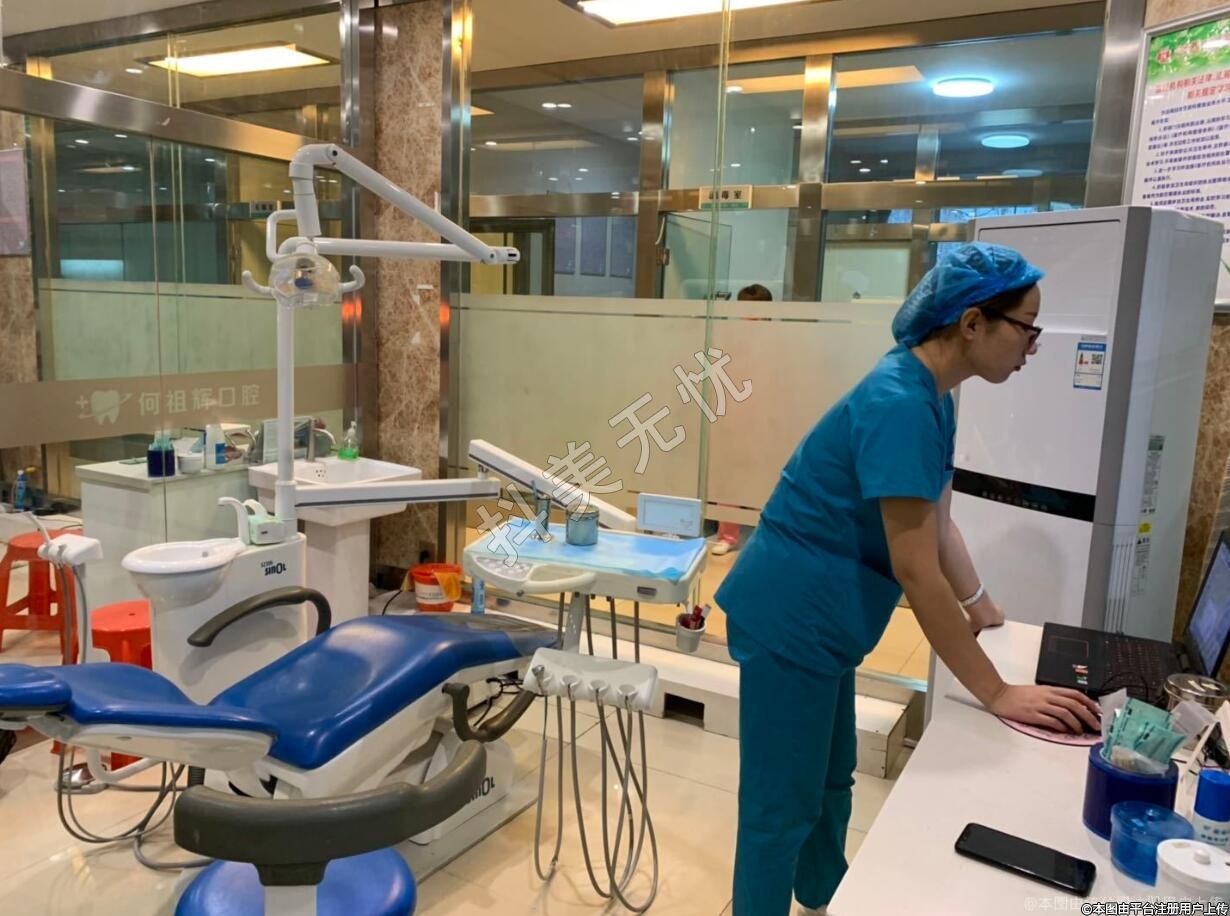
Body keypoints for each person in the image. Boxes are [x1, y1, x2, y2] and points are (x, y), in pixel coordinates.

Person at [714, 243, 1102, 916]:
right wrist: (997, 691)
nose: (1034, 346)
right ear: (973, 323)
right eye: (1027, 327)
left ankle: (824, 895)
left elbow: (938, 525)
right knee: (781, 807)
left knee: (831, 781)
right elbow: (916, 567)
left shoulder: (934, 397)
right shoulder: (898, 402)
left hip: (825, 618)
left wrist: (982, 606)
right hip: (790, 616)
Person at [711, 283, 775, 557]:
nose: (750, 317)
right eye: (746, 310)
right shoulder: (730, 339)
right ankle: (728, 535)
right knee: (730, 477)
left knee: (768, 477)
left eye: (756, 311)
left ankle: (769, 534)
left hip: (769, 417)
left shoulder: (780, 340)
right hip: (735, 416)